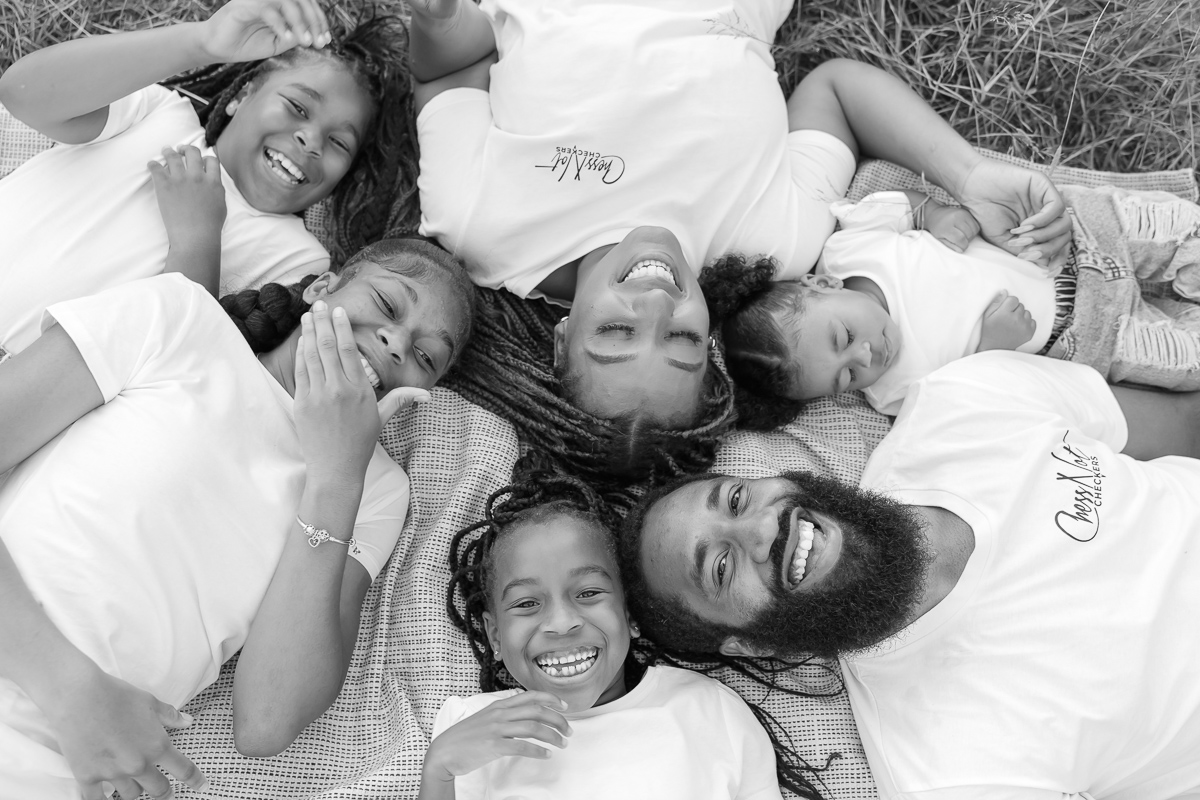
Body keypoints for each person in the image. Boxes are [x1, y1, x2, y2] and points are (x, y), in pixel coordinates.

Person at [0, 186, 476, 800]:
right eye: (386, 304)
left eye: (425, 356)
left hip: (69, 775)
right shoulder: (180, 319)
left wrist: (335, 476)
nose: (395, 343)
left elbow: (266, 720)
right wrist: (67, 688)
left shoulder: (375, 489)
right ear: (321, 288)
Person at [406, 0, 1072, 432]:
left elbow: (454, 65)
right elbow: (833, 91)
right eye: (684, 342)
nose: (657, 306)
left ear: (561, 338)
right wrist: (969, 173)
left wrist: (436, 21)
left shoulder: (479, 227)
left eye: (616, 332)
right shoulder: (773, 245)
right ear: (711, 344)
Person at [617, 350, 1200, 799]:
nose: (762, 532)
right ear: (752, 643)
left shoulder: (964, 405)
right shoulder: (950, 773)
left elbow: (1183, 421)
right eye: (721, 567)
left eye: (738, 499)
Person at [0, 0, 410, 356]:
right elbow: (22, 93)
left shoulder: (297, 260)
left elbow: (184, 361)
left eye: (339, 143)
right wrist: (203, 41)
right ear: (241, 95)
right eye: (298, 107)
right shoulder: (159, 114)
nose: (311, 139)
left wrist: (197, 238)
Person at [428, 471, 823, 800]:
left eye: (588, 594)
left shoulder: (707, 709)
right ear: (494, 635)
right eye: (527, 604)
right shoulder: (466, 729)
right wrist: (439, 771)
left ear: (631, 615)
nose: (562, 623)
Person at [705, 186, 1200, 425]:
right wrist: (990, 348)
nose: (865, 358)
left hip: (1072, 243)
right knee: (1187, 358)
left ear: (820, 284)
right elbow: (968, 403)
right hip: (1086, 336)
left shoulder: (854, 249)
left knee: (1180, 231)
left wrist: (934, 213)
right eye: (846, 378)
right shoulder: (894, 393)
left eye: (843, 338)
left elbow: (902, 203)